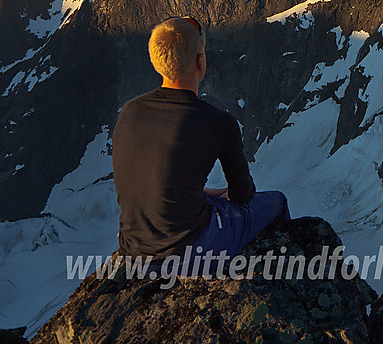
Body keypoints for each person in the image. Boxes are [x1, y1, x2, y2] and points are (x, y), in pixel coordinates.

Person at [112, 16, 290, 278]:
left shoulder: (129, 110)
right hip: (185, 254)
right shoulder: (217, 121)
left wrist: (203, 192)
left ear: (155, 61)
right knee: (277, 201)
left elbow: (144, 178)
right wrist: (226, 195)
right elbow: (242, 194)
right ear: (200, 61)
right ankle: (290, 273)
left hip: (132, 253)